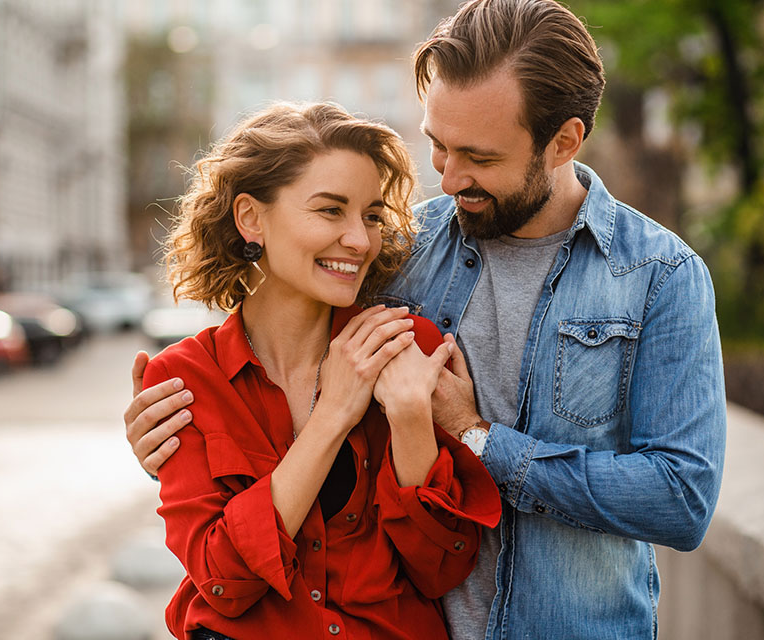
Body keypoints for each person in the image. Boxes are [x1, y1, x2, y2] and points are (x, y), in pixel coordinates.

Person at [126, 1, 727, 638]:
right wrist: (175, 442)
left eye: (480, 157)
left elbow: (682, 498)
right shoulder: (399, 251)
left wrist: (476, 437)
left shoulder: (660, 276)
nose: (448, 174)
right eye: (438, 145)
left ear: (563, 142)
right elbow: (285, 310)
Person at [139, 101, 501, 640]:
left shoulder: (406, 349)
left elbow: (441, 567)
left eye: (372, 216)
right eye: (331, 211)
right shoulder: (185, 380)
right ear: (251, 218)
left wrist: (407, 417)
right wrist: (334, 413)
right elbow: (223, 580)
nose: (359, 239)